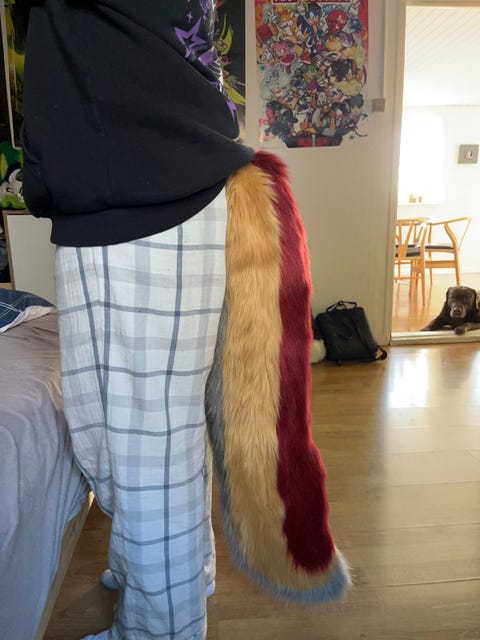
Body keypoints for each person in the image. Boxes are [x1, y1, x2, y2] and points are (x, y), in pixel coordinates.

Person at [22, 1, 254, 639]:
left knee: (144, 452)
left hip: (138, 191)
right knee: (156, 436)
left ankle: (161, 627)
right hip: (152, 182)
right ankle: (173, 574)